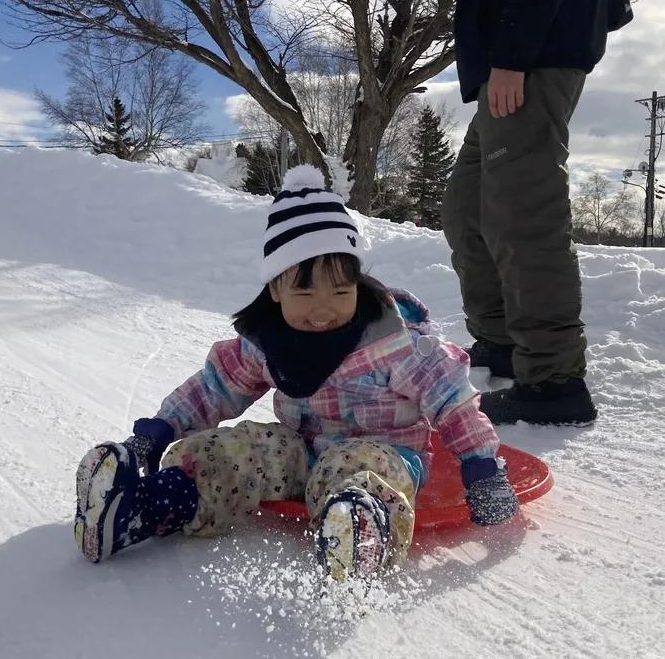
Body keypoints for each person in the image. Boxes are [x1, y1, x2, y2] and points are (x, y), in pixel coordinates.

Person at [74, 165, 519, 582]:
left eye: (341, 290)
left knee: (361, 464)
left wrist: (481, 465)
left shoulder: (395, 344)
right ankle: (141, 509)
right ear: (274, 288)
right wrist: (159, 429)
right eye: (304, 290)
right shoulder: (270, 344)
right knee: (236, 449)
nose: (323, 309)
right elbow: (215, 388)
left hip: (384, 458)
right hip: (301, 456)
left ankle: (361, 530)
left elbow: (453, 398)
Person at [442, 0, 621, 426]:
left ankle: (553, 380)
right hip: (506, 56)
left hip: (532, 54)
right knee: (466, 208)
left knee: (522, 216)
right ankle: (501, 343)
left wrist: (514, 53)